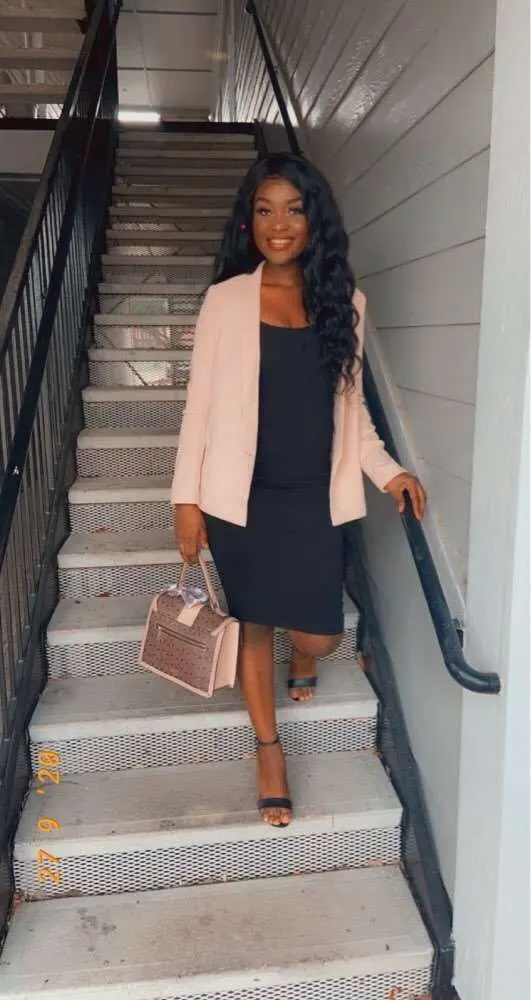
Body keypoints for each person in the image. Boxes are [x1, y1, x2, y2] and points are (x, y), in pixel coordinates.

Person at [172, 153, 426, 829]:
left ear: (315, 219)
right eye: (264, 210)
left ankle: (303, 661)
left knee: (320, 635)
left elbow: (353, 410)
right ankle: (269, 752)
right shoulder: (226, 300)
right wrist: (185, 500)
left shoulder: (344, 303)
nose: (278, 224)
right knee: (254, 624)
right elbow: (198, 408)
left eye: (293, 209)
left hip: (313, 494)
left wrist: (389, 471)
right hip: (241, 495)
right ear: (248, 221)